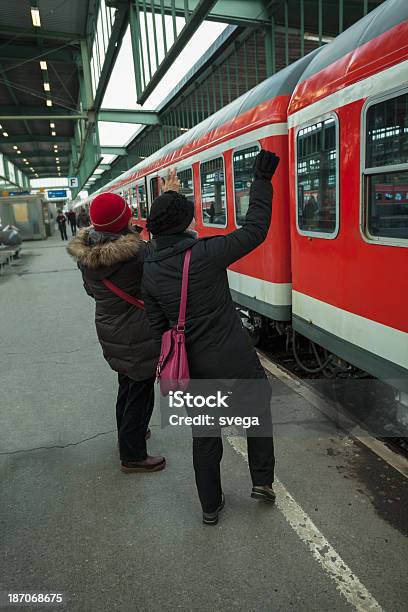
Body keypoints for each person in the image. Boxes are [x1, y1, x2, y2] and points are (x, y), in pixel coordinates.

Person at [142, 150, 279, 525]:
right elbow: (255, 229)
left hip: (192, 369)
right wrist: (262, 179)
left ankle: (210, 507)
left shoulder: (150, 271)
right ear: (187, 221)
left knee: (205, 436)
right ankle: (262, 481)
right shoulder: (207, 253)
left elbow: (157, 328)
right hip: (234, 358)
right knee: (258, 413)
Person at [67, 192, 164, 473]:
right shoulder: (138, 254)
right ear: (124, 219)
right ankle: (132, 455)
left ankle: (129, 435)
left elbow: (90, 290)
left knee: (127, 383)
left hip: (110, 326)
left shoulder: (85, 255)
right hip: (137, 330)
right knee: (140, 390)